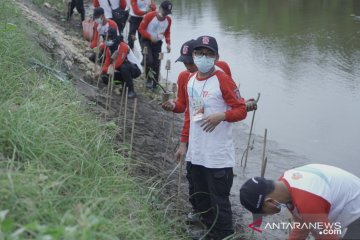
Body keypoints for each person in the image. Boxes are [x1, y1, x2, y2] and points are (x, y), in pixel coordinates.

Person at [165, 35, 247, 239]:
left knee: (219, 200)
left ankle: (223, 234)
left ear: (216, 57)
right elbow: (194, 115)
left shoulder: (222, 79)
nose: (203, 57)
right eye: (200, 53)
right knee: (199, 196)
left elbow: (241, 109)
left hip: (217, 155)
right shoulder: (191, 80)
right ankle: (206, 229)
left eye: (209, 54)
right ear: (194, 55)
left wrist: (222, 115)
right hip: (197, 152)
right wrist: (184, 143)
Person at [240, 164, 360, 240]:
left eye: (264, 213)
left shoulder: (307, 201)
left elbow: (328, 237)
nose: (266, 216)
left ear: (270, 201)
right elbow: (302, 226)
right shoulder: (285, 184)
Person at [138, 0, 172, 90]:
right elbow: (141, 29)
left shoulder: (168, 20)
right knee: (149, 60)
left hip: (158, 43)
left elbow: (167, 32)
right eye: (165, 11)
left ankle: (155, 83)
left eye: (168, 13)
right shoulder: (150, 16)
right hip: (146, 41)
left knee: (157, 63)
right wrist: (149, 36)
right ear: (160, 8)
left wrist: (168, 43)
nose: (166, 14)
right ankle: (148, 79)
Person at [101, 28, 142, 99]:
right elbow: (106, 62)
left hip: (135, 69)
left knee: (124, 67)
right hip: (122, 70)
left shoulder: (123, 46)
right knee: (105, 77)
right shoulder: (109, 49)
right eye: (104, 38)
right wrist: (103, 71)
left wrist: (107, 69)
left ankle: (131, 91)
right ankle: (124, 85)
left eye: (108, 37)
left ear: (113, 37)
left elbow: (118, 63)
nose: (106, 40)